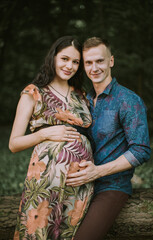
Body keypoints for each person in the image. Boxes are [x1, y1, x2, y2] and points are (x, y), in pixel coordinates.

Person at [9, 36, 94, 240]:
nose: (70, 66)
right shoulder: (33, 92)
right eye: (64, 58)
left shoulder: (81, 95)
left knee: (68, 233)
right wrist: (43, 133)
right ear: (53, 57)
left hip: (79, 182)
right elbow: (14, 144)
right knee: (39, 232)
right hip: (46, 181)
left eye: (75, 62)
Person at [66, 37, 151, 240]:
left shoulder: (128, 100)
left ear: (111, 61)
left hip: (112, 187)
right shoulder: (83, 101)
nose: (94, 67)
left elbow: (141, 150)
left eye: (100, 61)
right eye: (88, 62)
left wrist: (97, 172)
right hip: (81, 186)